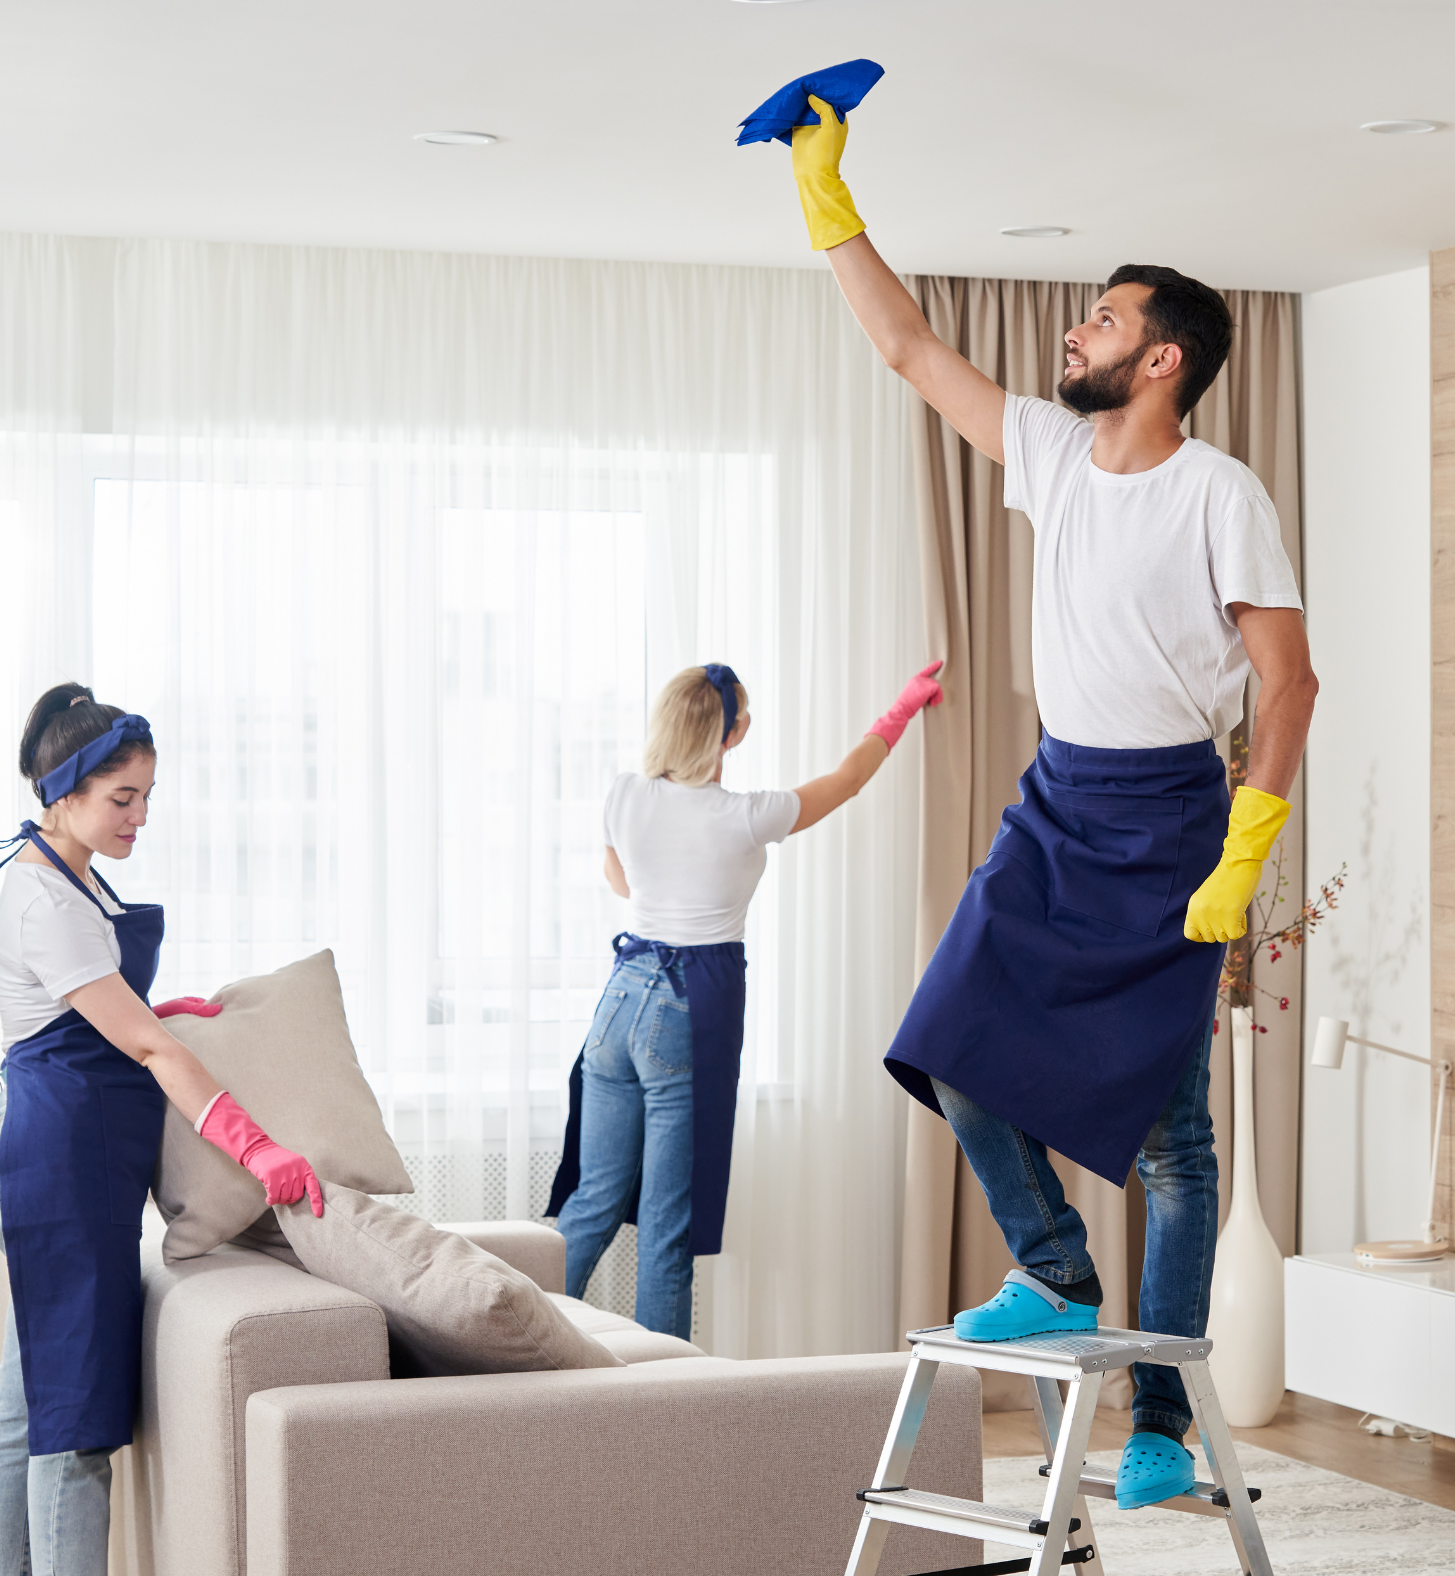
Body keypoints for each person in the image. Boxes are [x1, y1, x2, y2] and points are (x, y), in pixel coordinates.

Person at [766, 97, 1318, 1509]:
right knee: (947, 1040)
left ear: (1163, 358)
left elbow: (1290, 684)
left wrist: (1244, 858)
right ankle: (1056, 1271)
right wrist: (826, 188)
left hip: (1175, 821)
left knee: (1172, 1139)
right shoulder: (1057, 455)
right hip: (1058, 803)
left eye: (1099, 321)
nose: (1074, 336)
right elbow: (905, 344)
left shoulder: (1221, 494)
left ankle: (1157, 1429)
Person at [0, 684, 323, 1575]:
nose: (140, 818)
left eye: (147, 797)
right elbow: (142, 1047)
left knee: (28, 1398)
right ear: (63, 793)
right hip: (69, 1156)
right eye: (122, 799)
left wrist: (157, 1008)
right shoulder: (41, 900)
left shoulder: (58, 866)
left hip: (73, 1142)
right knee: (76, 1416)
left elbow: (98, 1005)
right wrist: (254, 1145)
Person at [547, 660, 942, 1340]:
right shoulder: (746, 816)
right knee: (668, 1224)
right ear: (734, 733)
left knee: (592, 1202)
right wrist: (900, 710)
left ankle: (511, 1352)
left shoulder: (624, 794)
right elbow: (846, 781)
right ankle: (666, 1402)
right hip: (684, 1009)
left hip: (619, 1002)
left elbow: (621, 883)